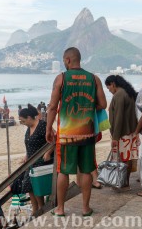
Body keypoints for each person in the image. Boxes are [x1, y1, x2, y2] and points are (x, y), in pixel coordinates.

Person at [46, 47, 107, 217]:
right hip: (87, 133)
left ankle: (60, 209)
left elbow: (52, 107)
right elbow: (103, 104)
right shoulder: (94, 79)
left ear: (67, 60)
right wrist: (87, 108)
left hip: (66, 134)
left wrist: (48, 128)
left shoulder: (61, 79)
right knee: (86, 170)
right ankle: (85, 208)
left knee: (63, 171)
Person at [105, 75, 139, 191]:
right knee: (128, 159)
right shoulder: (129, 93)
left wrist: (115, 137)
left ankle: (122, 183)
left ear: (113, 84)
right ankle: (126, 182)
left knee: (121, 160)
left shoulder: (119, 95)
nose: (109, 90)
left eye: (109, 87)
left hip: (121, 133)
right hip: (131, 132)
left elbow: (118, 117)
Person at [19, 104, 53, 216]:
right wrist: (26, 155)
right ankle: (36, 209)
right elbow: (29, 144)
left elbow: (54, 139)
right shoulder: (29, 128)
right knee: (28, 185)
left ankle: (41, 207)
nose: (23, 123)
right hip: (31, 161)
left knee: (37, 185)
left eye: (23, 121)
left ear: (29, 117)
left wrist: (48, 152)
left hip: (42, 161)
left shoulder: (43, 125)